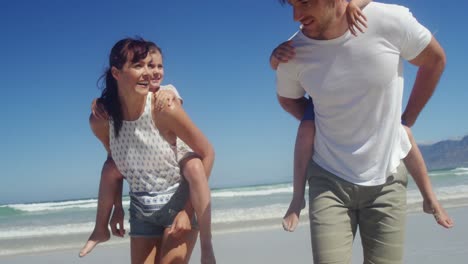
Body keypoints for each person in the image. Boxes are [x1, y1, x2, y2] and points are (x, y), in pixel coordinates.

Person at [274, 0, 448, 263]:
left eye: (306, 2)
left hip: (386, 179)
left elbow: (434, 60)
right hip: (328, 181)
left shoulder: (389, 20)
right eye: (292, 5)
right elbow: (288, 99)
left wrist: (406, 120)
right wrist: (324, 123)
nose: (296, 16)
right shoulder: (293, 52)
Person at [83, 37, 215, 264]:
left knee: (193, 164)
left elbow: (207, 153)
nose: (148, 73)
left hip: (179, 200)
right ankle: (99, 229)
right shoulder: (102, 120)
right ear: (116, 73)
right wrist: (117, 207)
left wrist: (187, 210)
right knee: (109, 166)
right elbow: (117, 165)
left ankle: (207, 247)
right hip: (141, 209)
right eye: (138, 66)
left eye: (151, 65)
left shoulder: (164, 105)